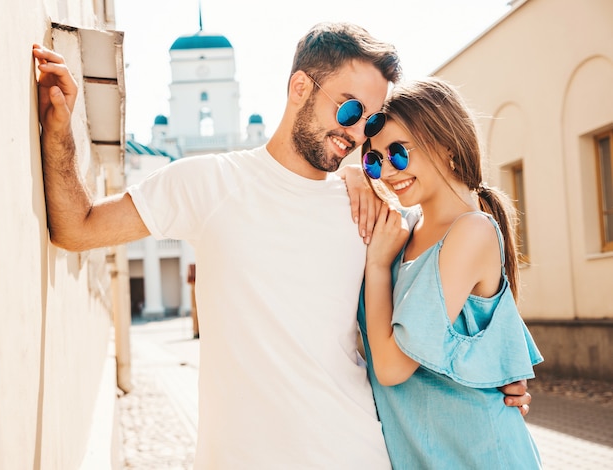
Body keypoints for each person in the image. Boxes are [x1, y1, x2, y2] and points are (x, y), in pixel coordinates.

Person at [32, 22, 531, 468]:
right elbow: (77, 228)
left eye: (371, 122)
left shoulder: (378, 210)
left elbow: (443, 310)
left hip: (359, 454)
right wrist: (60, 130)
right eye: (351, 109)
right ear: (299, 87)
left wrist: (497, 377)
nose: (358, 134)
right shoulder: (206, 183)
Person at [359, 77, 543, 469]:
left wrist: (377, 267)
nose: (387, 171)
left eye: (398, 152)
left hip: (482, 456)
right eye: (373, 160)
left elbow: (391, 367)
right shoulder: (400, 229)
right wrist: (353, 176)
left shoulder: (471, 231)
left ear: (445, 144)